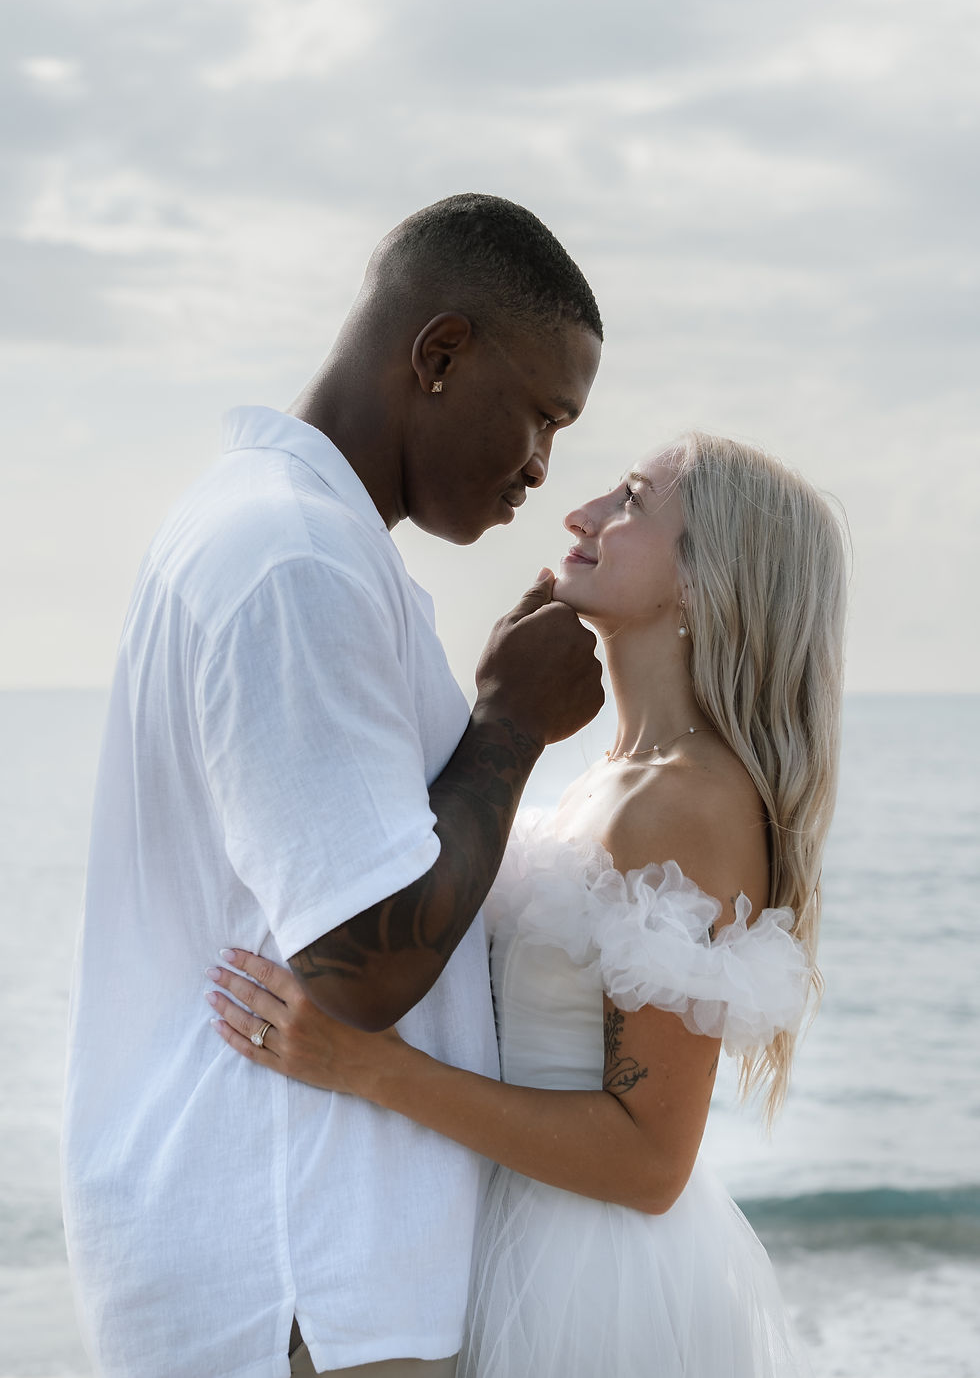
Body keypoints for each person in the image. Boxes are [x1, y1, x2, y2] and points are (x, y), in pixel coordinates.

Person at [61, 194, 605, 1378]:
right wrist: (510, 724)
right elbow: (358, 965)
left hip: (289, 1268)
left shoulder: (286, 533)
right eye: (542, 415)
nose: (540, 469)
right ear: (441, 354)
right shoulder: (293, 560)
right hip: (298, 1283)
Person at [205, 432, 848, 1377]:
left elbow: (649, 1163)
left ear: (708, 578)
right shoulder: (615, 781)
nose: (580, 515)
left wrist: (364, 1065)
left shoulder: (691, 802)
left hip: (579, 1284)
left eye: (630, 501)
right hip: (493, 1226)